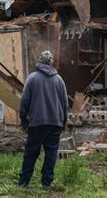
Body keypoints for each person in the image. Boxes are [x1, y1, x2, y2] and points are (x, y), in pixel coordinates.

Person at [18, 50, 68, 188]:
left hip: (37, 123)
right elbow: (65, 104)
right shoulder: (59, 80)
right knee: (51, 153)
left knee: (31, 152)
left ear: (39, 62)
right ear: (51, 62)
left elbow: (24, 101)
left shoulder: (32, 78)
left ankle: (24, 182)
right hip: (55, 123)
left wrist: (23, 119)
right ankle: (47, 182)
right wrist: (64, 122)